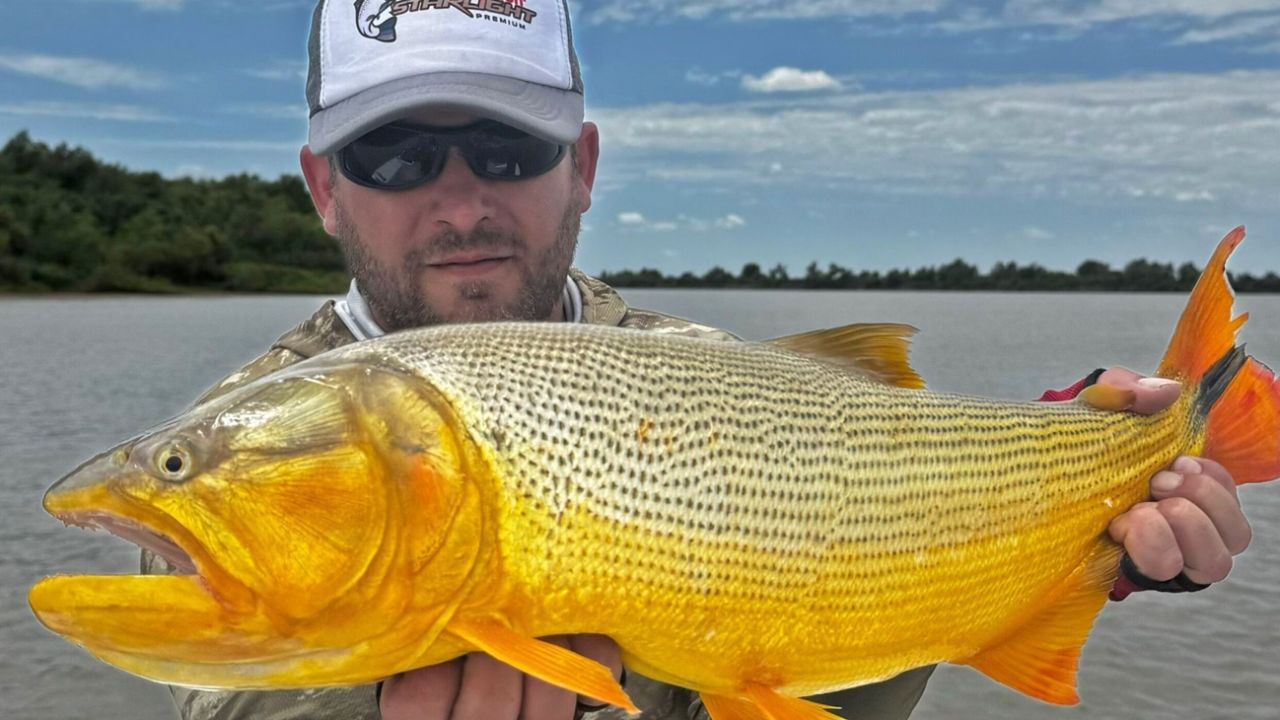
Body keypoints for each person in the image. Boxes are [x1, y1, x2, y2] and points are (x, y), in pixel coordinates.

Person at [142, 0, 1255, 718]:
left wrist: (1084, 507)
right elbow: (221, 693)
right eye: (391, 154)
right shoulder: (234, 451)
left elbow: (855, 595)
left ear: (580, 166)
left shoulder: (708, 375)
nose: (460, 198)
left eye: (504, 146)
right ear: (322, 186)